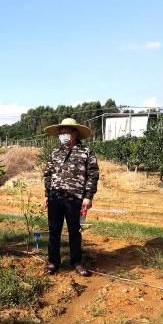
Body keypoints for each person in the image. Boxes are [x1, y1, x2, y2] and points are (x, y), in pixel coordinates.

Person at [43, 118, 99, 276]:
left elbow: (93, 175)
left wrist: (88, 196)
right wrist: (47, 195)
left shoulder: (86, 152)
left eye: (65, 132)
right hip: (55, 197)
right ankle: (53, 262)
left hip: (75, 198)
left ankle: (77, 262)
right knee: (54, 231)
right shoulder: (55, 152)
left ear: (74, 133)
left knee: (74, 231)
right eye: (60, 133)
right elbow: (48, 174)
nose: (62, 135)